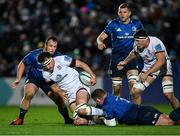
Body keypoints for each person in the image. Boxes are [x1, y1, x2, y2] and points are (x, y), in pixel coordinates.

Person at [10, 36, 73, 125]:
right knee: (29, 93)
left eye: (55, 47)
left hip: (48, 82)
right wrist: (18, 78)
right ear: (45, 45)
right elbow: (22, 63)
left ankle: (67, 119)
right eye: (50, 46)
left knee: (59, 100)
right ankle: (20, 119)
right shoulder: (35, 54)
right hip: (34, 78)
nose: (52, 49)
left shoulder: (58, 56)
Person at [117, 29, 180, 109]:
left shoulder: (156, 43)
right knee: (135, 91)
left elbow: (161, 61)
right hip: (148, 67)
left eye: (138, 41)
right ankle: (136, 116)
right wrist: (125, 61)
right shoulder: (138, 45)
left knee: (169, 95)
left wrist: (146, 74)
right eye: (135, 41)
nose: (136, 43)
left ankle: (178, 116)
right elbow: (134, 52)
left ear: (145, 40)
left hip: (163, 67)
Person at [37, 52, 103, 125]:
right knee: (78, 121)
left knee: (81, 110)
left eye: (48, 63)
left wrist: (93, 75)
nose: (48, 67)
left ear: (51, 59)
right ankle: (94, 121)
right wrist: (60, 92)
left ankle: (106, 112)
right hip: (70, 96)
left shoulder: (62, 59)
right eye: (45, 65)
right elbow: (54, 86)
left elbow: (81, 64)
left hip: (79, 86)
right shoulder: (45, 74)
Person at [97, 2, 143, 99]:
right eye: (120, 12)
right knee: (117, 90)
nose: (122, 14)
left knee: (134, 87)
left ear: (129, 13)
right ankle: (117, 112)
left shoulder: (137, 24)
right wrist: (100, 42)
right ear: (118, 13)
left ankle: (133, 111)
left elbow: (143, 39)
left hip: (131, 59)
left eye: (124, 12)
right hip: (116, 60)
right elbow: (100, 38)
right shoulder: (113, 24)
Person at [89, 88, 180, 126]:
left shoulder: (107, 106)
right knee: (172, 120)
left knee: (170, 122)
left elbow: (112, 124)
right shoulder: (110, 95)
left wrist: (103, 119)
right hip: (144, 109)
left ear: (97, 100)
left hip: (142, 116)